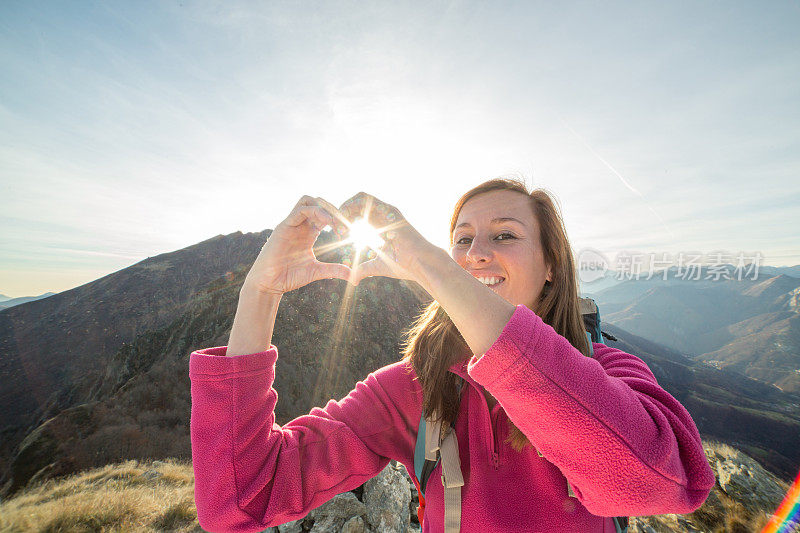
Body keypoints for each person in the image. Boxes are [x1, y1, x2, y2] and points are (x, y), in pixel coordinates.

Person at [189, 178, 716, 532]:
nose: (475, 253)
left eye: (504, 235)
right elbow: (242, 496)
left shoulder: (609, 374)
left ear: (551, 265)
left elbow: (664, 482)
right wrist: (259, 291)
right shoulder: (413, 389)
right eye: (461, 240)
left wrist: (433, 266)